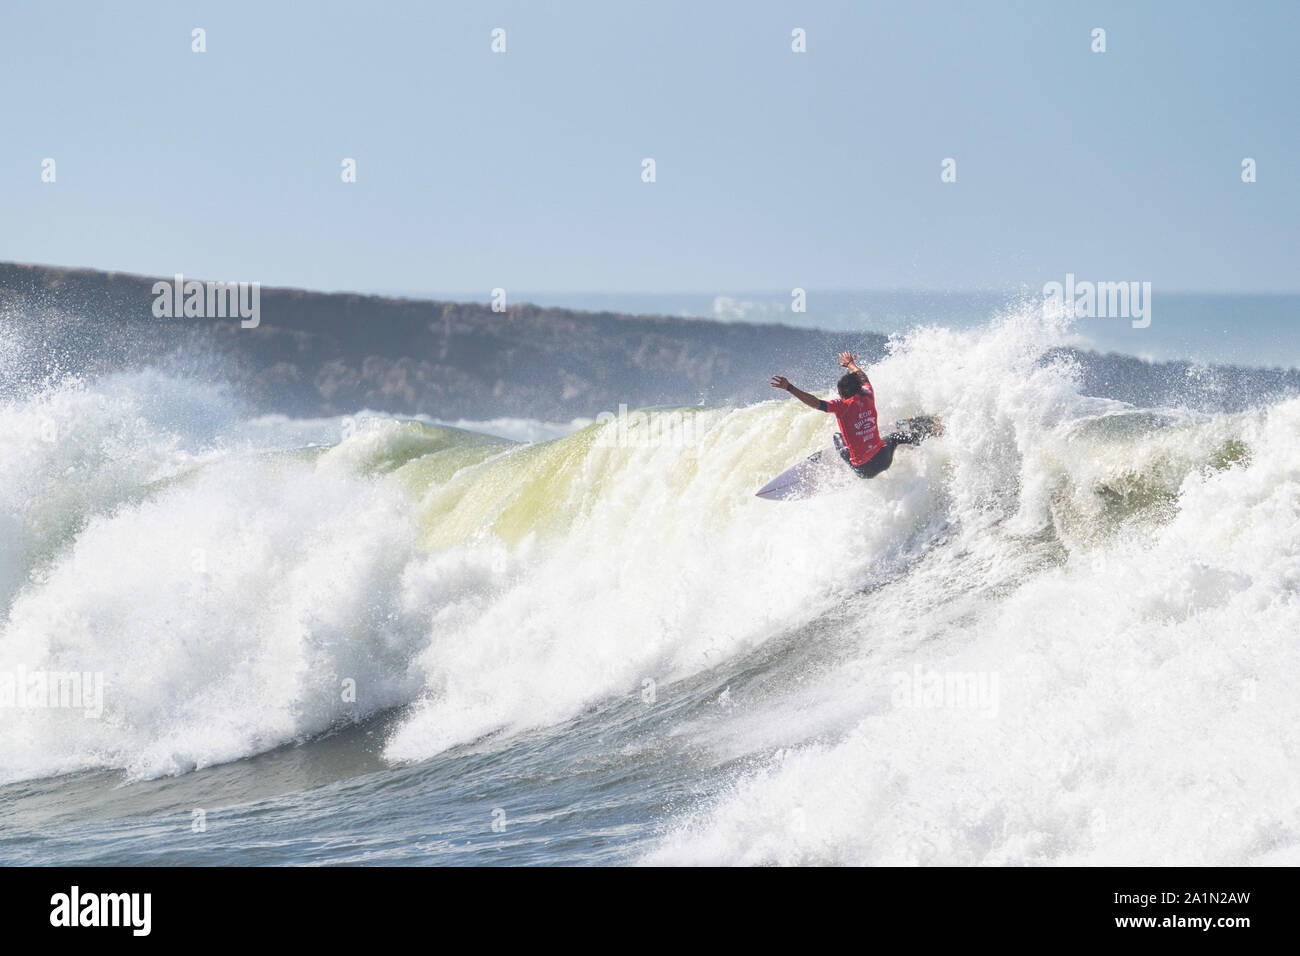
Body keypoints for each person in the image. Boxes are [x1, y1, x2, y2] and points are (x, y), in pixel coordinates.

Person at [770, 352, 941, 479]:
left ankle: (843, 464)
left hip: (864, 470)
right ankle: (933, 432)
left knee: (837, 437)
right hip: (884, 459)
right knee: (895, 438)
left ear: (842, 394)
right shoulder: (868, 393)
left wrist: (789, 388)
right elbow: (862, 376)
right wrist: (850, 364)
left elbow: (815, 402)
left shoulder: (841, 406)